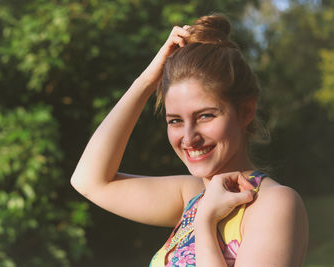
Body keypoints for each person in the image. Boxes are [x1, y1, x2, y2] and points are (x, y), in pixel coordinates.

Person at [70, 13, 308, 267]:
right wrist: (148, 80)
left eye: (205, 116)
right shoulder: (191, 195)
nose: (189, 138)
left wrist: (205, 222)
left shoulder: (274, 203)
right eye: (175, 121)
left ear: (245, 112)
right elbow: (89, 181)